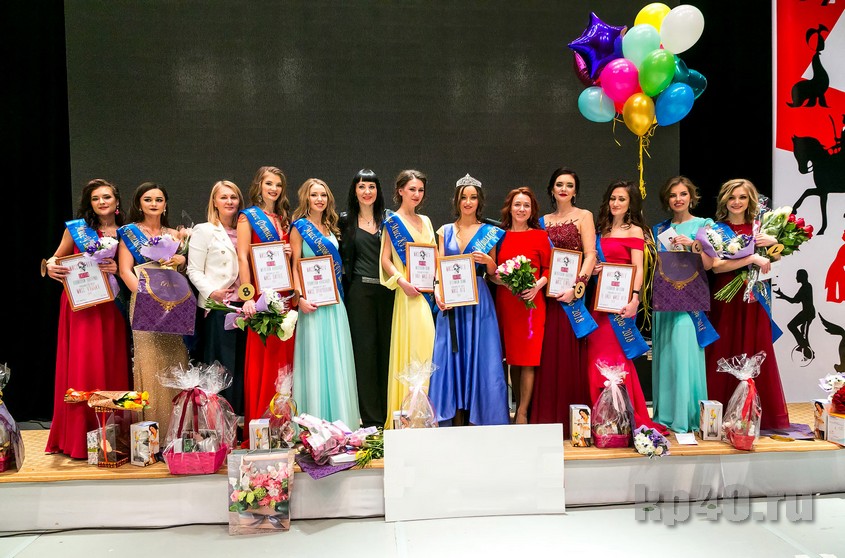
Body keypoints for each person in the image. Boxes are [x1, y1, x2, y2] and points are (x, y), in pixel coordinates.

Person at [44, 179, 130, 459]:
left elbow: (135, 269)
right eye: (96, 198)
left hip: (111, 306)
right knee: (83, 364)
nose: (102, 202)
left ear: (117, 202)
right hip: (81, 305)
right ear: (90, 204)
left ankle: (113, 436)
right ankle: (79, 438)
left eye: (107, 197)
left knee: (111, 362)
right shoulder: (77, 230)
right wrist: (50, 267)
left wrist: (117, 269)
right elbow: (54, 259)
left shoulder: (127, 232)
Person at [706, 178, 790, 430]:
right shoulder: (716, 229)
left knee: (756, 348)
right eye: (732, 197)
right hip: (726, 297)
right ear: (724, 200)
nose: (736, 202)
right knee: (724, 346)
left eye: (742, 197)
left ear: (750, 200)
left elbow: (774, 260)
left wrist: (773, 245)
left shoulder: (760, 228)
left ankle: (755, 414)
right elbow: (717, 267)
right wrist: (750, 258)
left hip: (755, 297)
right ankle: (720, 413)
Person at [586, 180, 667, 434]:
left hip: (621, 304)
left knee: (618, 358)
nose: (615, 203)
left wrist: (635, 300)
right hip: (599, 303)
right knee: (596, 356)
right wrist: (595, 268)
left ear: (631, 203)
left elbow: (639, 269)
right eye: (613, 198)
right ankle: (600, 417)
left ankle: (622, 418)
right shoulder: (601, 230)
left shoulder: (635, 231)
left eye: (621, 199)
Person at [429, 174, 509, 426]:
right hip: (452, 300)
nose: (468, 202)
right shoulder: (445, 231)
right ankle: (452, 417)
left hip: (478, 301)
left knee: (479, 356)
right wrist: (438, 292)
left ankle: (479, 417)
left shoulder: (489, 233)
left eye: (473, 197)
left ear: (479, 201)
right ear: (457, 200)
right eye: (463, 197)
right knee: (449, 356)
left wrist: (489, 262)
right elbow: (439, 269)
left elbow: (493, 274)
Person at [117, 182, 189, 431]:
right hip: (144, 302)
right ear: (139, 204)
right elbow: (125, 270)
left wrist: (181, 259)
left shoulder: (175, 234)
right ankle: (150, 432)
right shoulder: (129, 233)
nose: (154, 204)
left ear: (165, 204)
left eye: (159, 199)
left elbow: (182, 271)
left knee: (175, 360)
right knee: (149, 363)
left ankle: (177, 430)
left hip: (172, 303)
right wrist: (146, 297)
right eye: (148, 199)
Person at [290, 178, 360, 429]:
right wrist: (299, 298)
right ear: (306, 198)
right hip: (312, 304)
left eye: (323, 195)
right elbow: (294, 266)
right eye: (314, 195)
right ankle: (313, 424)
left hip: (334, 301)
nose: (319, 199)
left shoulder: (332, 228)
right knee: (315, 359)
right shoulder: (299, 227)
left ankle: (339, 422)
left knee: (335, 357)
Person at [531, 168, 596, 433]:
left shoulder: (584, 216)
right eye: (559, 184)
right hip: (547, 297)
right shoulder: (542, 221)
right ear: (551, 189)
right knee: (547, 354)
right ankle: (547, 417)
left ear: (575, 190)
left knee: (570, 355)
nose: (564, 189)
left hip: (572, 299)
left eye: (569, 185)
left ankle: (573, 422)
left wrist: (577, 287)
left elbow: (590, 255)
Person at [651, 176, 714, 433]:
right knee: (665, 356)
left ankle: (686, 417)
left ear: (691, 197)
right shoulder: (659, 229)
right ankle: (665, 416)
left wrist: (693, 245)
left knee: (683, 354)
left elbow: (709, 265)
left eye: (683, 194)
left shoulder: (703, 225)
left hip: (690, 303)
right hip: (665, 302)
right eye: (673, 195)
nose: (678, 199)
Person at [237, 166, 296, 429]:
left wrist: (288, 253)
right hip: (261, 295)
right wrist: (247, 296)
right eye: (269, 183)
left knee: (284, 358)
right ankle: (262, 424)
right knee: (264, 357)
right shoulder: (247, 217)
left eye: (278, 185)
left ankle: (284, 422)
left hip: (283, 292)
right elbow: (243, 257)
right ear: (259, 185)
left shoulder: (283, 219)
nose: (274, 189)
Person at [379, 170, 436, 429]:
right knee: (411, 349)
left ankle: (425, 415)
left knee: (427, 349)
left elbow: (434, 257)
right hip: (407, 295)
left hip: (427, 295)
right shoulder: (392, 222)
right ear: (400, 190)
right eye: (412, 189)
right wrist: (401, 281)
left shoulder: (426, 221)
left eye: (420, 190)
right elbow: (385, 260)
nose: (416, 194)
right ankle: (406, 418)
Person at [338, 169, 394, 428]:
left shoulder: (390, 219)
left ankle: (390, 412)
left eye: (371, 186)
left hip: (388, 292)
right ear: (355, 190)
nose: (367, 191)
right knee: (364, 354)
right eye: (362, 187)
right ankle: (371, 418)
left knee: (387, 351)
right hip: (359, 293)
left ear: (378, 190)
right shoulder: (344, 222)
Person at [187, 180, 246, 415]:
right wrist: (212, 292)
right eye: (224, 197)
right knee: (221, 368)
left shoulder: (245, 229)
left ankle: (241, 421)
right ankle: (219, 421)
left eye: (233, 197)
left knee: (241, 368)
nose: (229, 201)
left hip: (246, 307)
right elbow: (193, 270)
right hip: (219, 306)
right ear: (214, 202)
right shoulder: (204, 230)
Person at [494, 187, 550, 424]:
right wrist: (504, 282)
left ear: (532, 210)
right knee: (511, 359)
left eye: (526, 205)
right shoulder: (499, 237)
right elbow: (491, 274)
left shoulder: (540, 236)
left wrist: (537, 285)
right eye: (517, 204)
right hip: (507, 304)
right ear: (510, 208)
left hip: (531, 305)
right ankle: (515, 406)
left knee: (528, 359)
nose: (521, 209)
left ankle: (523, 412)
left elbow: (549, 269)